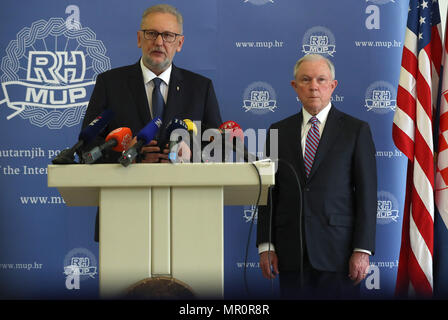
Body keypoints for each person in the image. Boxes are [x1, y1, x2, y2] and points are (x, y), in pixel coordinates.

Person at [79, 4, 222, 241]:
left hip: (187, 214)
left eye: (168, 35)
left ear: (180, 43)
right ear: (139, 38)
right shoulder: (110, 83)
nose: (159, 42)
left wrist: (190, 154)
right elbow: (88, 145)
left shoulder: (200, 88)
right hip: (123, 212)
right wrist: (128, 153)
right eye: (151, 33)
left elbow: (218, 148)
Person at [256, 54, 377, 299]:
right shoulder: (278, 131)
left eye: (321, 80)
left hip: (339, 254)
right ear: (295, 86)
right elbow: (269, 193)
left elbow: (367, 194)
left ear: (333, 86)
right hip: (291, 254)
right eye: (306, 79)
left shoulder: (356, 130)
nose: (313, 86)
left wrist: (362, 249)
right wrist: (266, 245)